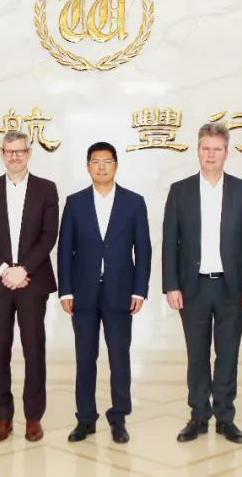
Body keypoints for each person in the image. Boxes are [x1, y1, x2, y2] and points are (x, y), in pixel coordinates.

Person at [162, 122, 242, 444]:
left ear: (226, 153)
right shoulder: (180, 190)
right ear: (198, 151)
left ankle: (225, 417)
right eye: (205, 148)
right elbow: (169, 241)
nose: (210, 155)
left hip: (232, 288)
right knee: (197, 355)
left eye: (217, 149)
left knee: (228, 355)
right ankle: (198, 416)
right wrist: (171, 285)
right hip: (193, 288)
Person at [58, 141, 151, 444]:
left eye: (107, 161)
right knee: (85, 357)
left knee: (119, 357)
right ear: (87, 166)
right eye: (95, 161)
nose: (101, 166)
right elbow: (65, 249)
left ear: (116, 165)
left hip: (120, 292)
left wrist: (140, 290)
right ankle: (85, 419)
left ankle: (119, 417)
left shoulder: (133, 202)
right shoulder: (75, 203)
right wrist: (65, 291)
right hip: (83, 293)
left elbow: (144, 250)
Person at [0, 131, 59, 442]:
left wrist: (23, 269)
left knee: (34, 350)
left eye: (20, 151)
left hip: (32, 281)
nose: (14, 156)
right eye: (9, 151)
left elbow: (49, 235)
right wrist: (3, 269)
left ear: (29, 153)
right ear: (2, 154)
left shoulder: (46, 189)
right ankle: (3, 417)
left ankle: (33, 417)